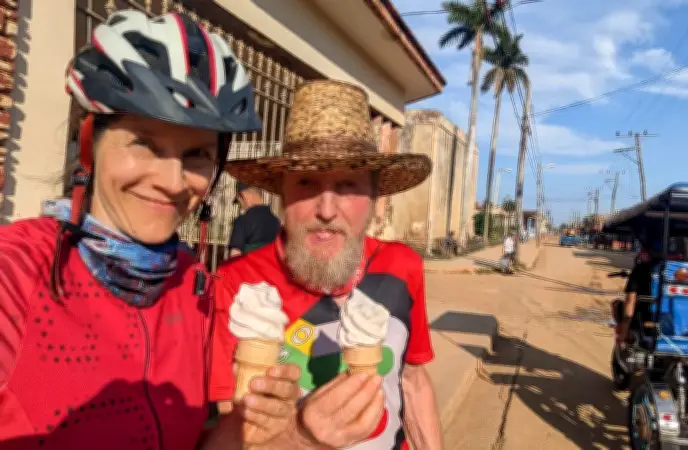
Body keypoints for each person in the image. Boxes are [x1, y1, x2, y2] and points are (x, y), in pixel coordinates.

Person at [0, 10, 300, 449]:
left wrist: (252, 427)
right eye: (144, 143)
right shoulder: (17, 269)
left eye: (196, 154)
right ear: (90, 144)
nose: (174, 182)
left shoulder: (194, 283)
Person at [209, 79, 444, 449]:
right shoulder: (237, 284)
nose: (327, 210)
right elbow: (229, 426)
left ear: (374, 197)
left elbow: (413, 381)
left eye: (349, 185)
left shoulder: (402, 266)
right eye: (306, 182)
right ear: (280, 195)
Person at [229, 181, 281, 257]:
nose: (241, 207)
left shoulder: (242, 221)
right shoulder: (276, 222)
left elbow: (235, 257)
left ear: (243, 196)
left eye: (239, 202)